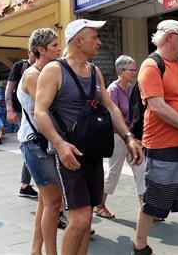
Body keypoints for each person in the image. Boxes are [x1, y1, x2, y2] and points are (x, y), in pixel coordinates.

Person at [35, 19, 143, 255]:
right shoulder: (54, 70)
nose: (99, 42)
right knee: (81, 219)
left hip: (93, 153)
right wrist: (60, 144)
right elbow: (39, 112)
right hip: (68, 156)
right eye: (94, 37)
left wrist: (128, 137)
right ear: (78, 41)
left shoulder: (94, 71)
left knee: (88, 220)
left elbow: (111, 107)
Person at [132, 20, 178, 255]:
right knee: (154, 203)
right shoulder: (151, 65)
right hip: (163, 146)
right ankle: (139, 245)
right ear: (171, 37)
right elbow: (157, 106)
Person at [17, 28, 63, 255]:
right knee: (54, 202)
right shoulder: (34, 75)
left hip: (43, 142)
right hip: (35, 142)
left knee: (46, 202)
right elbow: (48, 108)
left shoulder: (46, 72)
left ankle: (36, 250)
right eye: (55, 46)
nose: (59, 49)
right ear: (41, 50)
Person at [95, 55, 146, 220]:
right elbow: (113, 115)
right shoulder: (112, 90)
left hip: (131, 137)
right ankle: (99, 204)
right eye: (131, 69)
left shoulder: (132, 88)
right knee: (114, 172)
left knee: (141, 169)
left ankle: (145, 208)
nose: (134, 72)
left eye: (134, 69)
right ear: (121, 71)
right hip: (117, 137)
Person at [6, 50, 38, 198]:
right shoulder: (20, 66)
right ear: (30, 52)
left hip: (37, 112)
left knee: (33, 145)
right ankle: (25, 185)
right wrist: (9, 109)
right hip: (22, 112)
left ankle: (26, 184)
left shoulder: (44, 67)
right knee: (30, 144)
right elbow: (9, 89)